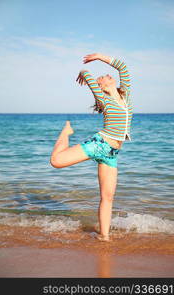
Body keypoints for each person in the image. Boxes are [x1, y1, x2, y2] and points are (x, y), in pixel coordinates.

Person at [50, 53, 133, 241]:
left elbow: (123, 67)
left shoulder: (125, 95)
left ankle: (104, 237)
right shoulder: (105, 100)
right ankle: (66, 132)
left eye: (107, 75)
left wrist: (98, 56)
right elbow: (87, 74)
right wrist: (83, 71)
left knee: (108, 197)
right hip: (99, 144)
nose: (108, 75)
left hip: (112, 153)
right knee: (56, 161)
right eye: (104, 77)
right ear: (101, 87)